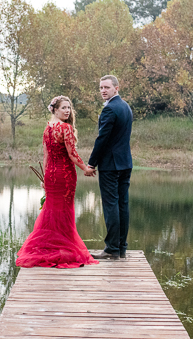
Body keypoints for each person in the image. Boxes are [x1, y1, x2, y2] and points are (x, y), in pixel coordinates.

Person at [16, 96, 99, 268]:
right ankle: (64, 248)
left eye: (69, 108)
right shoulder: (66, 128)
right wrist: (85, 168)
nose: (67, 111)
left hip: (52, 177)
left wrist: (46, 177)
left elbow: (46, 156)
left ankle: (49, 246)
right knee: (64, 212)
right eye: (63, 108)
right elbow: (72, 154)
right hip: (65, 176)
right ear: (54, 109)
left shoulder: (48, 128)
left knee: (52, 212)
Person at [85, 75, 133, 260]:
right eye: (100, 88)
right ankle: (121, 248)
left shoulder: (110, 109)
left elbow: (102, 139)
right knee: (123, 204)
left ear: (116, 88)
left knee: (111, 205)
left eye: (106, 87)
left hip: (111, 165)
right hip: (125, 162)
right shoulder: (125, 107)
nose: (103, 90)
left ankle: (112, 248)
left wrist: (91, 163)